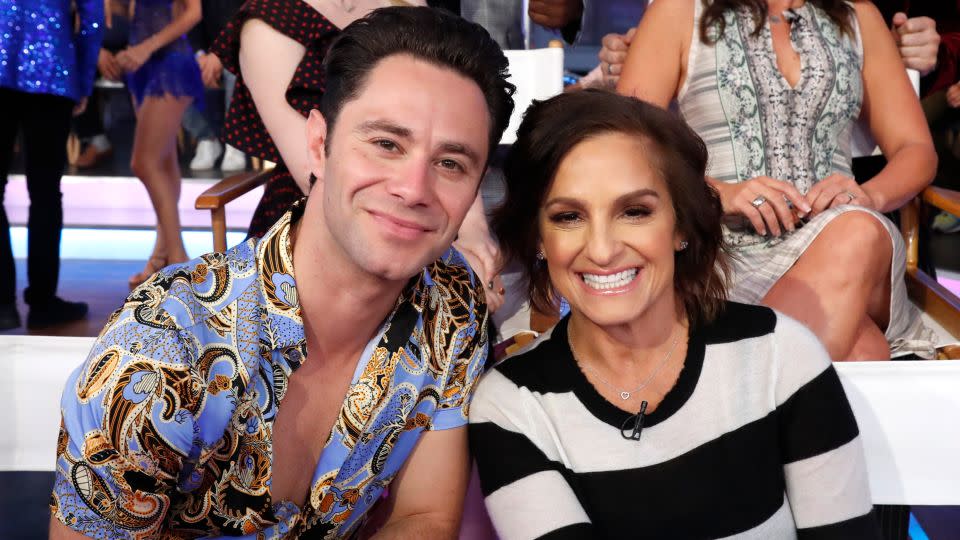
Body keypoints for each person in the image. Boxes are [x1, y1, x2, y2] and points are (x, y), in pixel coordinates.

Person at [49, 7, 514, 538]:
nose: (413, 188)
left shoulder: (453, 306)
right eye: (386, 143)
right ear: (318, 143)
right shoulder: (161, 350)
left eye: (451, 163)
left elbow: (423, 516)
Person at [470, 89, 878, 539]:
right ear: (538, 239)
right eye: (569, 217)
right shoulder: (513, 406)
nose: (603, 250)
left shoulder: (782, 354)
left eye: (635, 211)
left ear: (681, 224)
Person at [615, 0, 938, 361]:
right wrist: (717, 194)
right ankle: (747, 395)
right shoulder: (680, 10)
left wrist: (869, 197)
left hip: (848, 239)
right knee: (864, 351)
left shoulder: (856, 16)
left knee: (858, 233)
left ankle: (731, 393)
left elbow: (916, 149)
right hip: (724, 249)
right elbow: (627, 147)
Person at [0, 0, 103, 330]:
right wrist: (83, 78)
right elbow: (92, 17)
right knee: (45, 190)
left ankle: (3, 303)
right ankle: (43, 301)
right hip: (53, 69)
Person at [121, 0, 206, 289]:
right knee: (163, 160)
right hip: (140, 66)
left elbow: (194, 12)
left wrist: (147, 47)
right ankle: (161, 254)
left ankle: (179, 260)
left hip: (170, 63)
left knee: (144, 162)